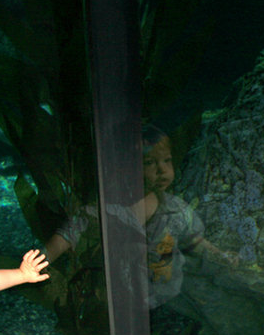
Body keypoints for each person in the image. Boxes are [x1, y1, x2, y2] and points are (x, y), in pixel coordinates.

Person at [45, 128, 237, 309]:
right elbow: (68, 234)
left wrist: (223, 257)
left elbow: (195, 242)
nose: (162, 170)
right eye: (150, 163)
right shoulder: (106, 211)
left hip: (169, 303)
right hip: (118, 306)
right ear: (126, 169)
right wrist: (41, 260)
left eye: (167, 161)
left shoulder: (177, 210)